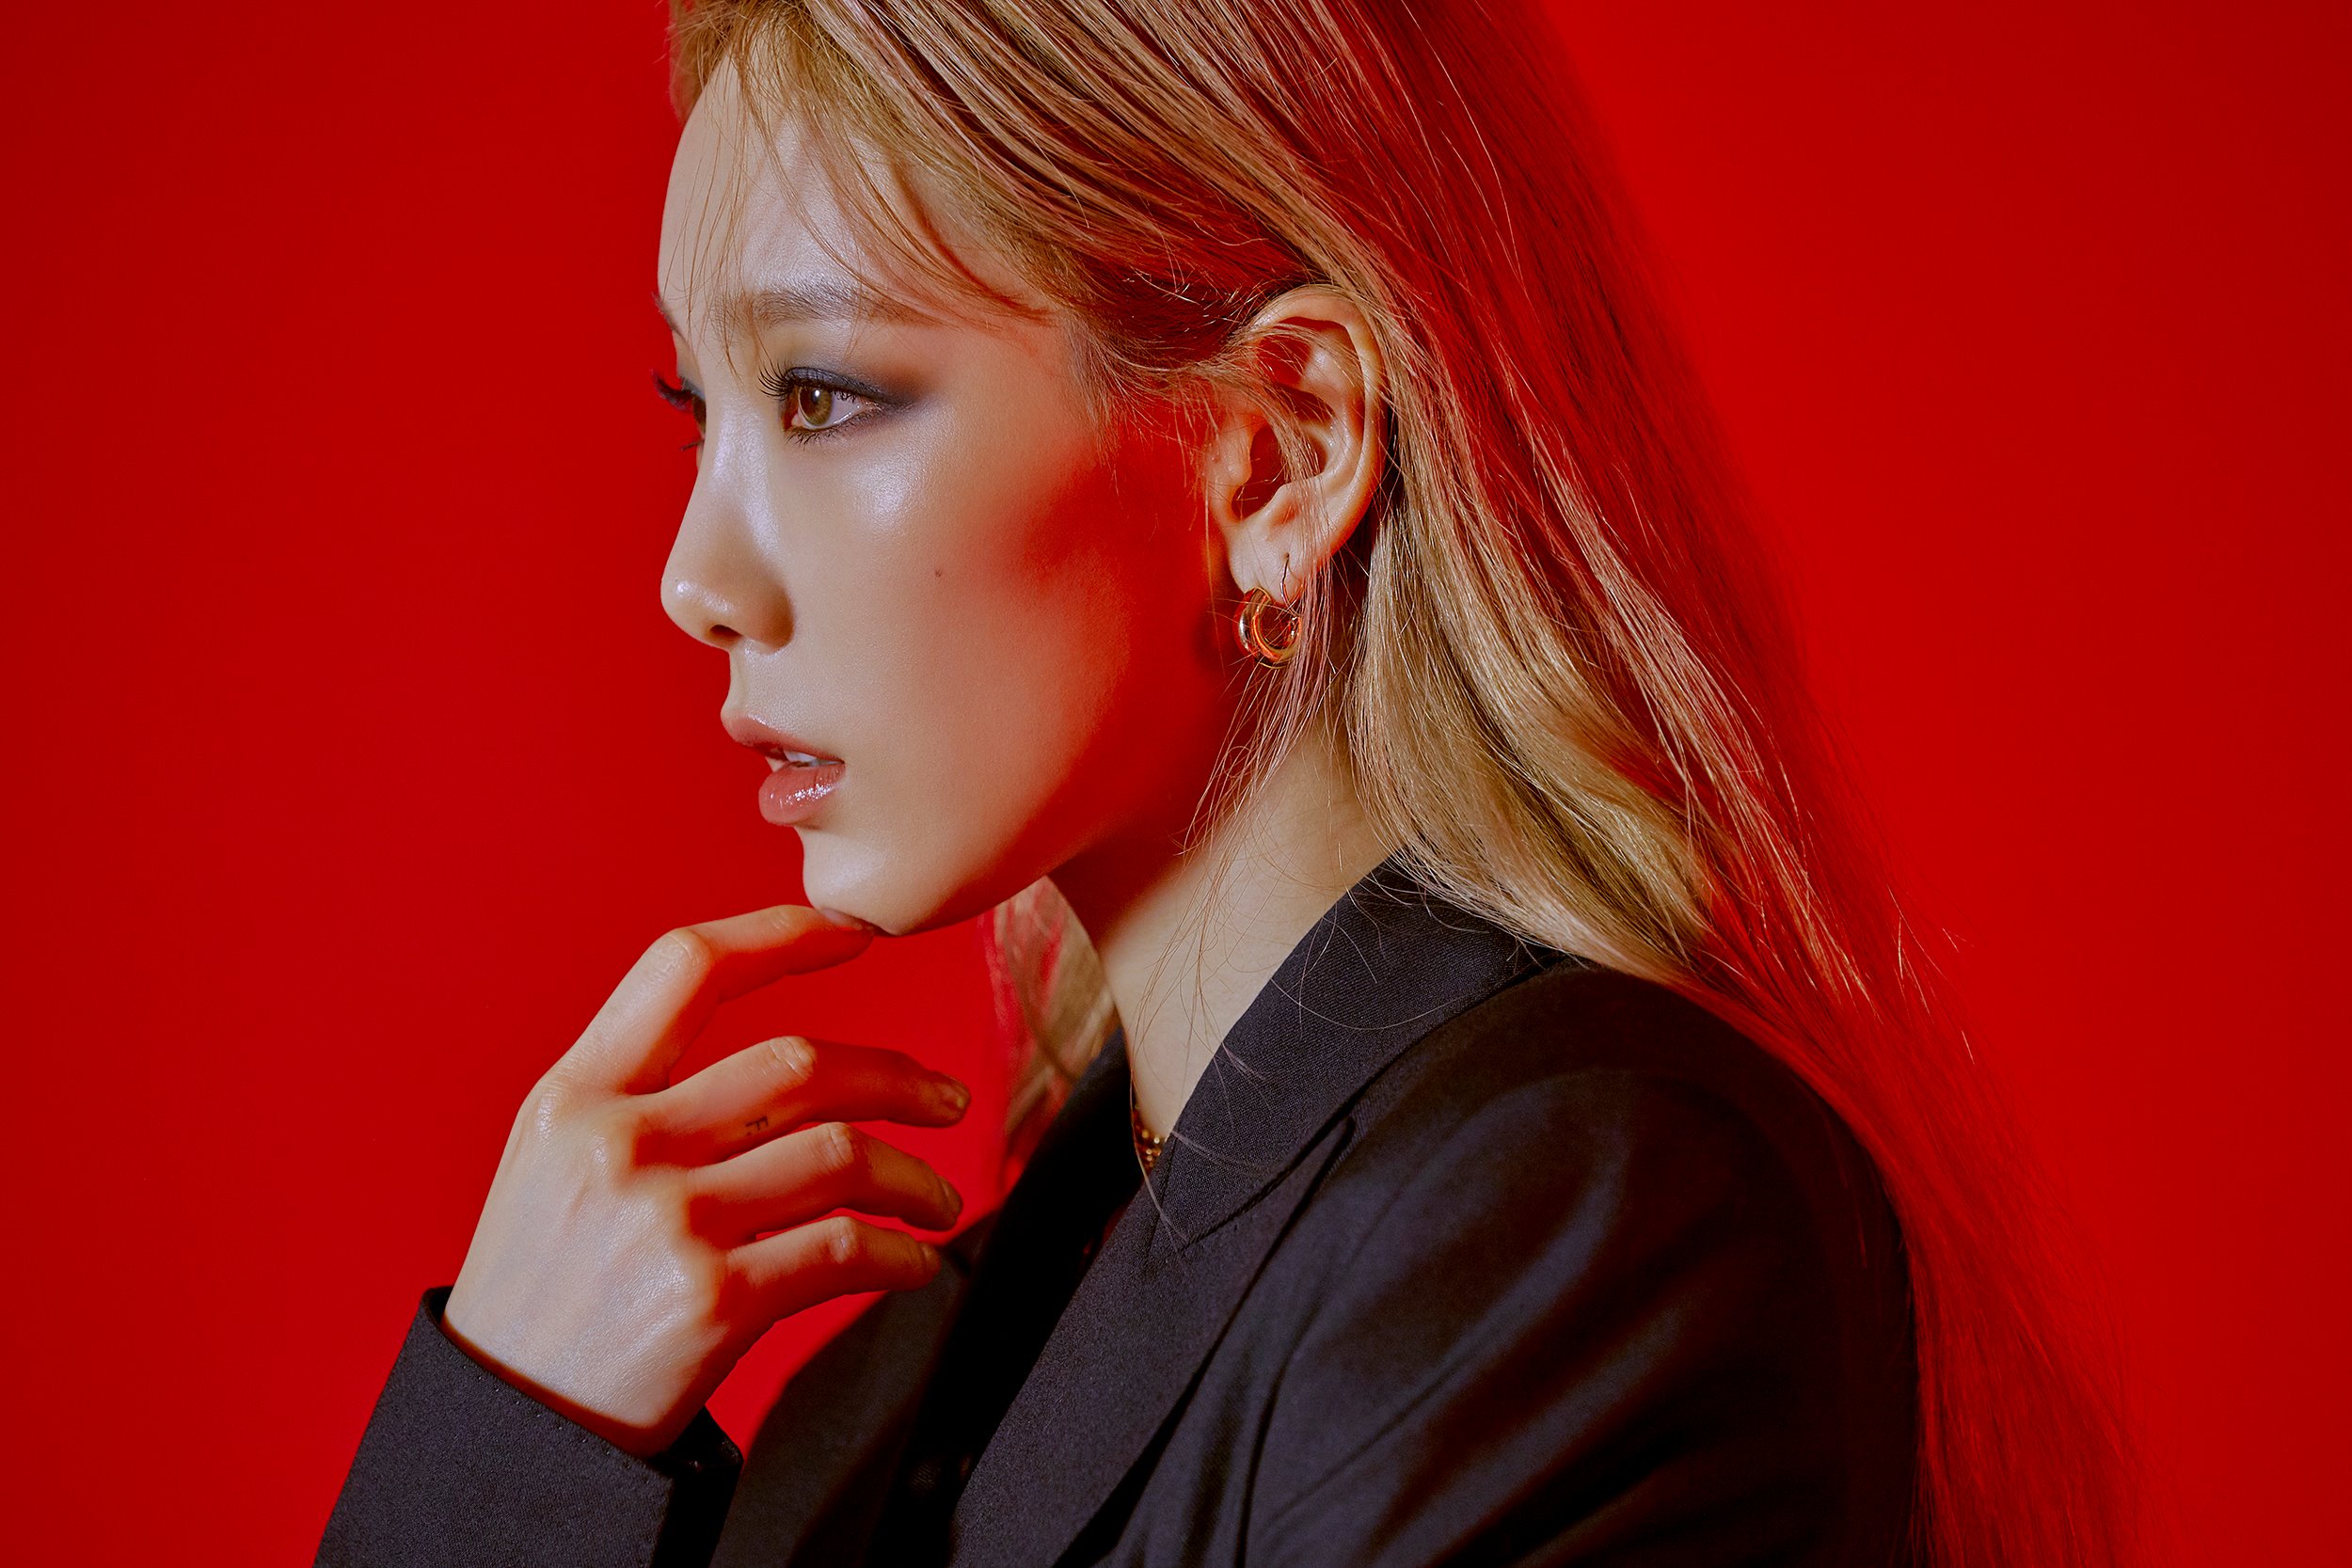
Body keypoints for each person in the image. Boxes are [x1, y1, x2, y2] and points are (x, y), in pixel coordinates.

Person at [317, 1, 2132, 1563]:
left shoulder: (1579, 1224)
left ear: (1279, 453)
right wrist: (521, 1436)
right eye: (694, 412)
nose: (695, 581)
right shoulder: (920, 1367)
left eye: (823, 396)